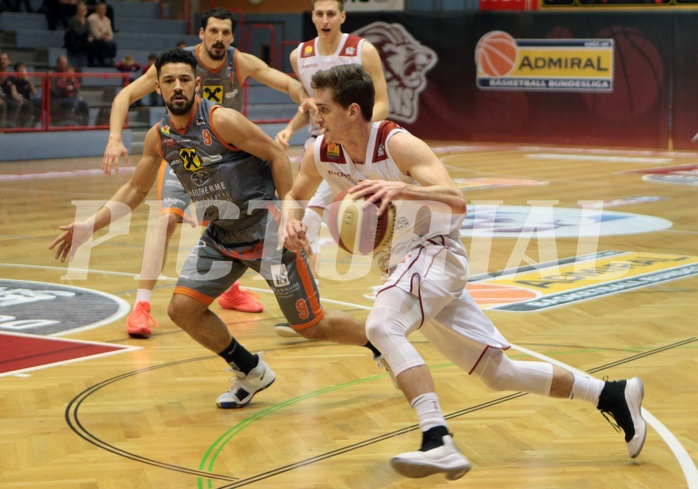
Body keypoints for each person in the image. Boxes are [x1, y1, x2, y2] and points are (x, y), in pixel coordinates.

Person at [281, 64, 647, 480]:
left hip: (434, 251)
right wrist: (292, 223)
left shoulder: (396, 143)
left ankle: (438, 440)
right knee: (497, 373)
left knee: (382, 325)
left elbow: (456, 200)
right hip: (403, 264)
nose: (315, 116)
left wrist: (403, 189)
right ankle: (611, 395)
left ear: (351, 111)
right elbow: (296, 193)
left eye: (323, 109)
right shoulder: (321, 150)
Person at [50, 48, 383, 410]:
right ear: (158, 88)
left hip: (265, 230)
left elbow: (274, 154)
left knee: (310, 326)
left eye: (184, 80)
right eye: (169, 81)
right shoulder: (159, 137)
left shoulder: (222, 121)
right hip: (222, 235)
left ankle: (381, 345)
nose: (178, 87)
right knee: (182, 309)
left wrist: (291, 216)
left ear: (197, 84)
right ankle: (250, 370)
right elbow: (134, 191)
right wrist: (89, 225)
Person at [101, 8, 308, 338]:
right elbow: (126, 94)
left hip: (224, 156)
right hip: (184, 151)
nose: (220, 38)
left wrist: (303, 98)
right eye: (214, 31)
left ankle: (228, 289)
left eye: (226, 33)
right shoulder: (178, 66)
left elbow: (282, 80)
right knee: (166, 219)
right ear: (202, 34)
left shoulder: (238, 61)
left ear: (232, 37)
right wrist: (114, 138)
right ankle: (142, 305)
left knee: (230, 219)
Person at [272, 0, 389, 338]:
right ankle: (311, 312)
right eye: (318, 14)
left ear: (342, 17)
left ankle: (397, 297)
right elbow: (311, 105)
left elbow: (382, 101)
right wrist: (292, 129)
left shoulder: (362, 51)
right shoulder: (300, 55)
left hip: (362, 147)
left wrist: (359, 130)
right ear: (312, 17)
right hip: (323, 147)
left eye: (330, 13)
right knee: (302, 225)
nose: (324, 19)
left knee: (384, 223)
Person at [50, 56, 89, 126]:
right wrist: (65, 88)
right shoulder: (54, 75)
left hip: (71, 97)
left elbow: (76, 86)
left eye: (65, 63)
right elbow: (56, 91)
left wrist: (73, 87)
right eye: (62, 63)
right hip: (58, 98)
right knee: (72, 103)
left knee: (84, 104)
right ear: (57, 64)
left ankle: (84, 125)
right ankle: (69, 123)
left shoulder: (71, 76)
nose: (63, 65)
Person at [3, 62, 41, 127]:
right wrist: (19, 100)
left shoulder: (26, 80)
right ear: (15, 70)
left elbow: (34, 92)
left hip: (26, 100)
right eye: (20, 68)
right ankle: (12, 127)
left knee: (38, 111)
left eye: (23, 68)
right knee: (26, 105)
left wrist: (29, 80)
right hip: (14, 99)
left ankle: (30, 126)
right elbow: (13, 93)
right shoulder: (12, 79)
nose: (22, 70)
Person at [64, 1, 93, 67]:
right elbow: (77, 32)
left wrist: (90, 37)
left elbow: (89, 31)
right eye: (80, 9)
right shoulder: (73, 20)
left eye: (84, 10)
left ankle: (91, 64)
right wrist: (81, 24)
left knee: (93, 44)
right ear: (77, 10)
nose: (82, 11)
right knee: (75, 35)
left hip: (83, 41)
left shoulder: (87, 21)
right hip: (74, 41)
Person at [87, 1, 116, 67]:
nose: (102, 10)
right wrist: (103, 36)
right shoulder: (92, 18)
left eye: (104, 9)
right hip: (94, 39)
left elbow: (110, 33)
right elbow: (94, 33)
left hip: (105, 39)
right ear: (96, 9)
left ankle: (109, 60)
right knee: (105, 44)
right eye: (100, 8)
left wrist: (107, 37)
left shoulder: (107, 20)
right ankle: (104, 60)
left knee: (113, 44)